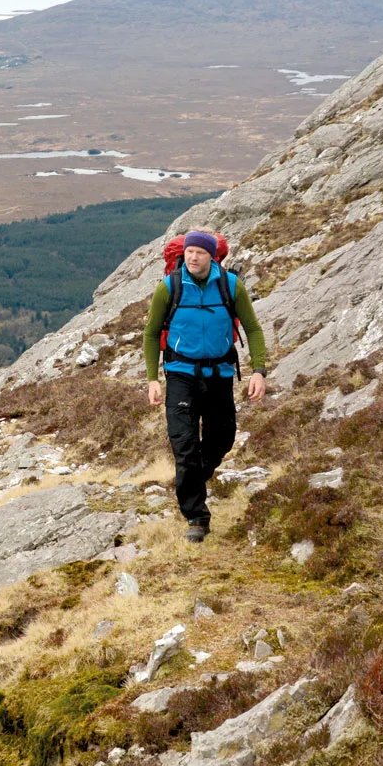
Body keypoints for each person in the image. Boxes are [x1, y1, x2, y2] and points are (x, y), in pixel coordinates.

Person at [143, 230, 268, 541]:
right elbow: (150, 333)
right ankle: (197, 518)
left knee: (222, 439)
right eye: (189, 252)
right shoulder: (169, 287)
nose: (193, 257)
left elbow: (252, 328)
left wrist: (259, 370)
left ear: (212, 256)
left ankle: (193, 480)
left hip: (220, 375)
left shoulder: (230, 286)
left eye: (200, 252)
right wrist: (152, 380)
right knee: (184, 447)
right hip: (180, 375)